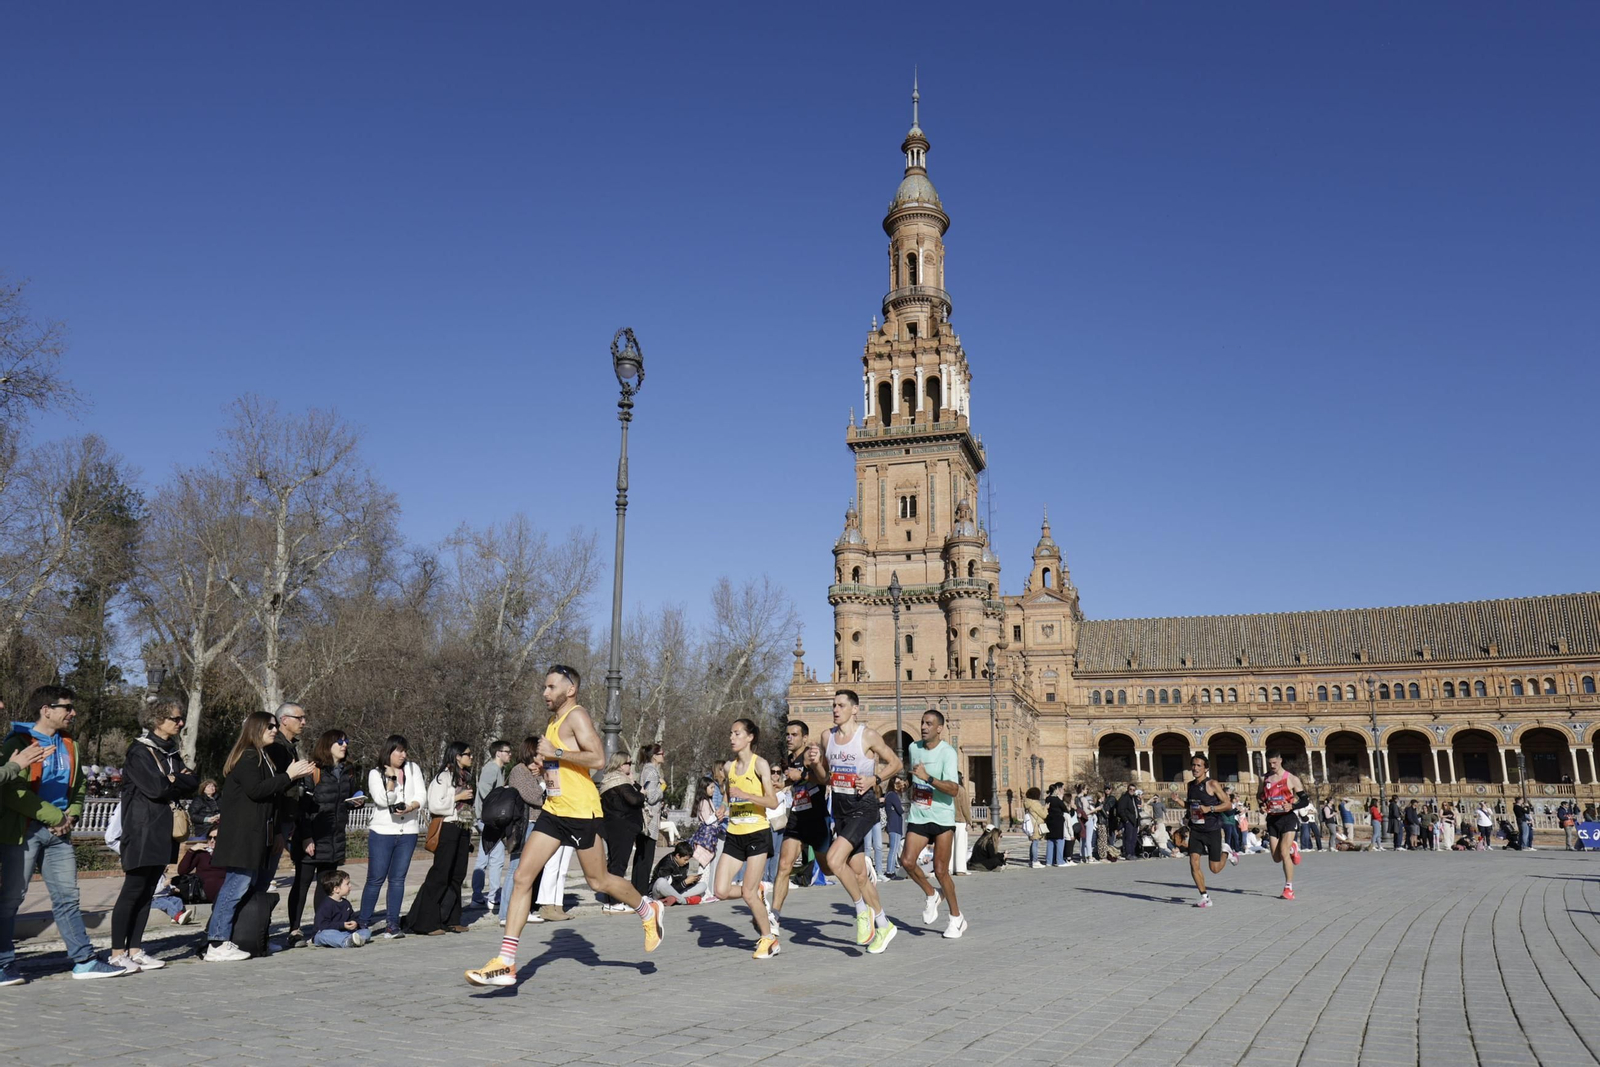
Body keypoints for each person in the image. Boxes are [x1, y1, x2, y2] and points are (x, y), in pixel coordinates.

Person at [466, 665, 665, 987]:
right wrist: (547, 766)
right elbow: (565, 762)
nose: (545, 693)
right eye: (544, 687)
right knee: (521, 877)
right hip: (554, 810)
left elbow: (598, 759)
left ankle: (647, 908)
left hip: (581, 811)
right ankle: (506, 963)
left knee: (599, 881)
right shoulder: (555, 721)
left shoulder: (577, 716)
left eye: (551, 687)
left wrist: (556, 752)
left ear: (569, 689)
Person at [0, 686, 126, 982]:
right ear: (46, 709)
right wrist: (53, 816)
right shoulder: (18, 741)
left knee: (68, 898)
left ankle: (84, 961)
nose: (73, 713)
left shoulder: (70, 744)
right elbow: (11, 792)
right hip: (24, 831)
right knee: (10, 899)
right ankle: (3, 964)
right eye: (67, 707)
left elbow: (79, 783)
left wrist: (72, 815)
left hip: (60, 833)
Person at [206, 711, 316, 962]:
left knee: (249, 887)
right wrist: (289, 775)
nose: (274, 730)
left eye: (276, 726)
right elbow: (256, 791)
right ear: (255, 728)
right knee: (235, 886)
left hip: (257, 834)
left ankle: (245, 937)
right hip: (242, 835)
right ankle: (216, 941)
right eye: (269, 726)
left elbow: (272, 795)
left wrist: (290, 778)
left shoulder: (263, 756)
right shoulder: (248, 756)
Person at [108, 698, 199, 973]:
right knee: (133, 890)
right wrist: (175, 781)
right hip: (141, 829)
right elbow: (157, 788)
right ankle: (116, 953)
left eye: (181, 718)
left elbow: (192, 782)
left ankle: (135, 950)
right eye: (175, 718)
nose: (180, 723)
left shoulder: (169, 751)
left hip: (162, 829)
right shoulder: (140, 751)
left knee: (149, 891)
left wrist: (176, 781)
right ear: (158, 720)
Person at [812, 688, 903, 954]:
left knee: (833, 860)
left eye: (841, 705)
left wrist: (875, 779)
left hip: (863, 807)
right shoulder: (826, 736)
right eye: (833, 705)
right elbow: (823, 777)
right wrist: (816, 764)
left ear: (854, 709)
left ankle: (861, 912)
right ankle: (884, 925)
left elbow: (895, 763)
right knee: (861, 876)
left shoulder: (868, 735)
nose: (835, 709)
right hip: (840, 808)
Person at [286, 729, 363, 946]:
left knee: (326, 886)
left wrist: (358, 801)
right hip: (312, 837)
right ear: (327, 745)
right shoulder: (313, 771)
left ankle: (321, 929)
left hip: (335, 837)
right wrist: (306, 837)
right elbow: (302, 809)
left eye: (346, 741)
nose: (344, 744)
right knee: (301, 885)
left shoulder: (347, 771)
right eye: (339, 741)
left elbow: (349, 797)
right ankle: (294, 930)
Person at [712, 718, 779, 959]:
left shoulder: (760, 764)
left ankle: (769, 939)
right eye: (731, 733)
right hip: (734, 833)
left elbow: (772, 801)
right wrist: (725, 808)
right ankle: (757, 893)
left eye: (737, 733)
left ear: (750, 737)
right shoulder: (729, 767)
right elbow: (732, 796)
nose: (732, 737)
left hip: (757, 833)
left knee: (748, 894)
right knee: (719, 890)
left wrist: (747, 795)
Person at [898, 709, 966, 937]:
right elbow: (912, 777)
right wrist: (904, 785)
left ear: (939, 728)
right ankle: (932, 894)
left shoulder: (948, 753)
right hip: (919, 814)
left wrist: (928, 778)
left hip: (942, 817)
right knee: (906, 861)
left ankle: (956, 918)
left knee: (940, 870)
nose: (924, 727)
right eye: (922, 722)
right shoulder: (913, 748)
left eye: (929, 723)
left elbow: (954, 789)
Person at [403, 742, 476, 935]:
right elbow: (435, 805)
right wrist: (457, 797)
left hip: (463, 826)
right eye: (468, 754)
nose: (471, 758)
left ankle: (451, 918)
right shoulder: (443, 777)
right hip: (448, 827)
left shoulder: (465, 777)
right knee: (440, 874)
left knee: (457, 875)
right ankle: (424, 922)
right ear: (457, 756)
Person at [359, 735, 426, 938]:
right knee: (375, 879)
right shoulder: (375, 773)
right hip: (382, 832)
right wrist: (391, 780)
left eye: (405, 751)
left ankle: (392, 924)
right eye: (399, 751)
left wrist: (410, 807)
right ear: (389, 751)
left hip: (408, 832)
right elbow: (382, 800)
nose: (403, 755)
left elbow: (421, 796)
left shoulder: (413, 769)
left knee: (398, 879)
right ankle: (363, 922)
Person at [771, 719, 831, 929]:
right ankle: (774, 916)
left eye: (794, 735)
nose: (789, 738)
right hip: (797, 816)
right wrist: (783, 784)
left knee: (829, 868)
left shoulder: (810, 755)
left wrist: (803, 774)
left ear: (804, 737)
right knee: (784, 866)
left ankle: (857, 865)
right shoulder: (790, 758)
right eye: (787, 735)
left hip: (816, 817)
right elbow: (795, 780)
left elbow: (825, 780)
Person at [263, 702, 311, 876]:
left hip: (287, 818)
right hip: (277, 819)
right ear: (283, 720)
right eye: (299, 718)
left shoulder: (289, 747)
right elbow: (274, 789)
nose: (304, 722)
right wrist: (276, 830)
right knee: (264, 876)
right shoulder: (276, 747)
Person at [598, 750, 646, 913]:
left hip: (611, 826)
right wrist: (641, 794)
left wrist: (634, 784)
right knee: (619, 865)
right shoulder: (621, 781)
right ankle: (615, 902)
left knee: (614, 862)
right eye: (628, 763)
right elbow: (634, 799)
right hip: (623, 827)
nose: (630, 766)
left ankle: (610, 899)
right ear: (619, 764)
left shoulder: (608, 780)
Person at [1185, 753, 1234, 908]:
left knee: (1215, 868)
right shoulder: (1190, 785)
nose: (1195, 768)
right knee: (1194, 862)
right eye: (1193, 765)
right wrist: (1187, 817)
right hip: (1196, 830)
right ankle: (1205, 897)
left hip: (1212, 829)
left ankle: (1226, 852)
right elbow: (1191, 805)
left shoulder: (1212, 784)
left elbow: (1228, 805)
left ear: (1206, 768)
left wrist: (1210, 808)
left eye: (1199, 765)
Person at [470, 739, 513, 911]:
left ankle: (478, 896)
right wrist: (502, 795)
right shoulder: (492, 769)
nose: (510, 754)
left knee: (485, 858)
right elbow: (484, 792)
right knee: (496, 859)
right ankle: (491, 897)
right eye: (507, 751)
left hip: (487, 819)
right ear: (498, 753)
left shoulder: (497, 769)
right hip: (489, 820)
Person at [151, 826, 223, 924]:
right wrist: (192, 851)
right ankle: (177, 915)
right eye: (210, 837)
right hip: (201, 891)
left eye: (216, 838)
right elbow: (182, 870)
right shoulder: (202, 853)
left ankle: (177, 915)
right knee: (177, 881)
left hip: (222, 891)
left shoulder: (228, 854)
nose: (212, 841)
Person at [1258, 750, 1305, 901]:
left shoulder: (1291, 778)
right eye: (1270, 763)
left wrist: (1292, 806)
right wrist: (1262, 805)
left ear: (1280, 760)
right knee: (1276, 857)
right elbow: (1260, 796)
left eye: (1275, 763)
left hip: (1288, 819)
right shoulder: (1264, 778)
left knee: (1284, 853)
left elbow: (1305, 800)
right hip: (1272, 819)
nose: (1272, 766)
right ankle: (1293, 848)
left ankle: (1288, 888)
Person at [635, 743, 665, 895]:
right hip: (650, 819)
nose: (663, 756)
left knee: (641, 855)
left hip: (646, 818)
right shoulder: (652, 772)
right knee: (646, 857)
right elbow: (652, 797)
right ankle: (641, 891)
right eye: (662, 753)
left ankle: (638, 889)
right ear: (654, 755)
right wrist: (663, 787)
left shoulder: (646, 770)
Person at [312, 869, 370, 948]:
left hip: (344, 932)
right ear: (336, 889)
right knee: (326, 934)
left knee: (366, 931)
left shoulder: (346, 903)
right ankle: (346, 941)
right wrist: (342, 925)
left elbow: (352, 917)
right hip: (324, 933)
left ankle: (353, 940)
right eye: (347, 884)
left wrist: (354, 923)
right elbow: (322, 925)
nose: (350, 886)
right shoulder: (326, 904)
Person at [883, 776, 905, 879]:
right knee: (894, 849)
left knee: (894, 849)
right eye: (898, 782)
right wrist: (902, 808)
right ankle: (890, 872)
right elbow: (900, 810)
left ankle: (891, 870)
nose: (900, 784)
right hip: (894, 825)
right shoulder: (892, 795)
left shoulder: (890, 795)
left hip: (894, 825)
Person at [1044, 784, 1069, 867]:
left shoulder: (1047, 799)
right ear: (1055, 790)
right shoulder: (1057, 800)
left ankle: (1049, 861)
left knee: (1050, 841)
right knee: (1059, 841)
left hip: (1049, 821)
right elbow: (1065, 809)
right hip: (1058, 822)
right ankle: (1059, 861)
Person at [1023, 787, 1048, 868]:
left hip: (1031, 824)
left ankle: (1031, 860)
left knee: (1033, 842)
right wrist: (1046, 808)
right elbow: (1043, 814)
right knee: (1035, 842)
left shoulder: (1028, 803)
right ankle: (1035, 861)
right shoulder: (1035, 803)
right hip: (1036, 825)